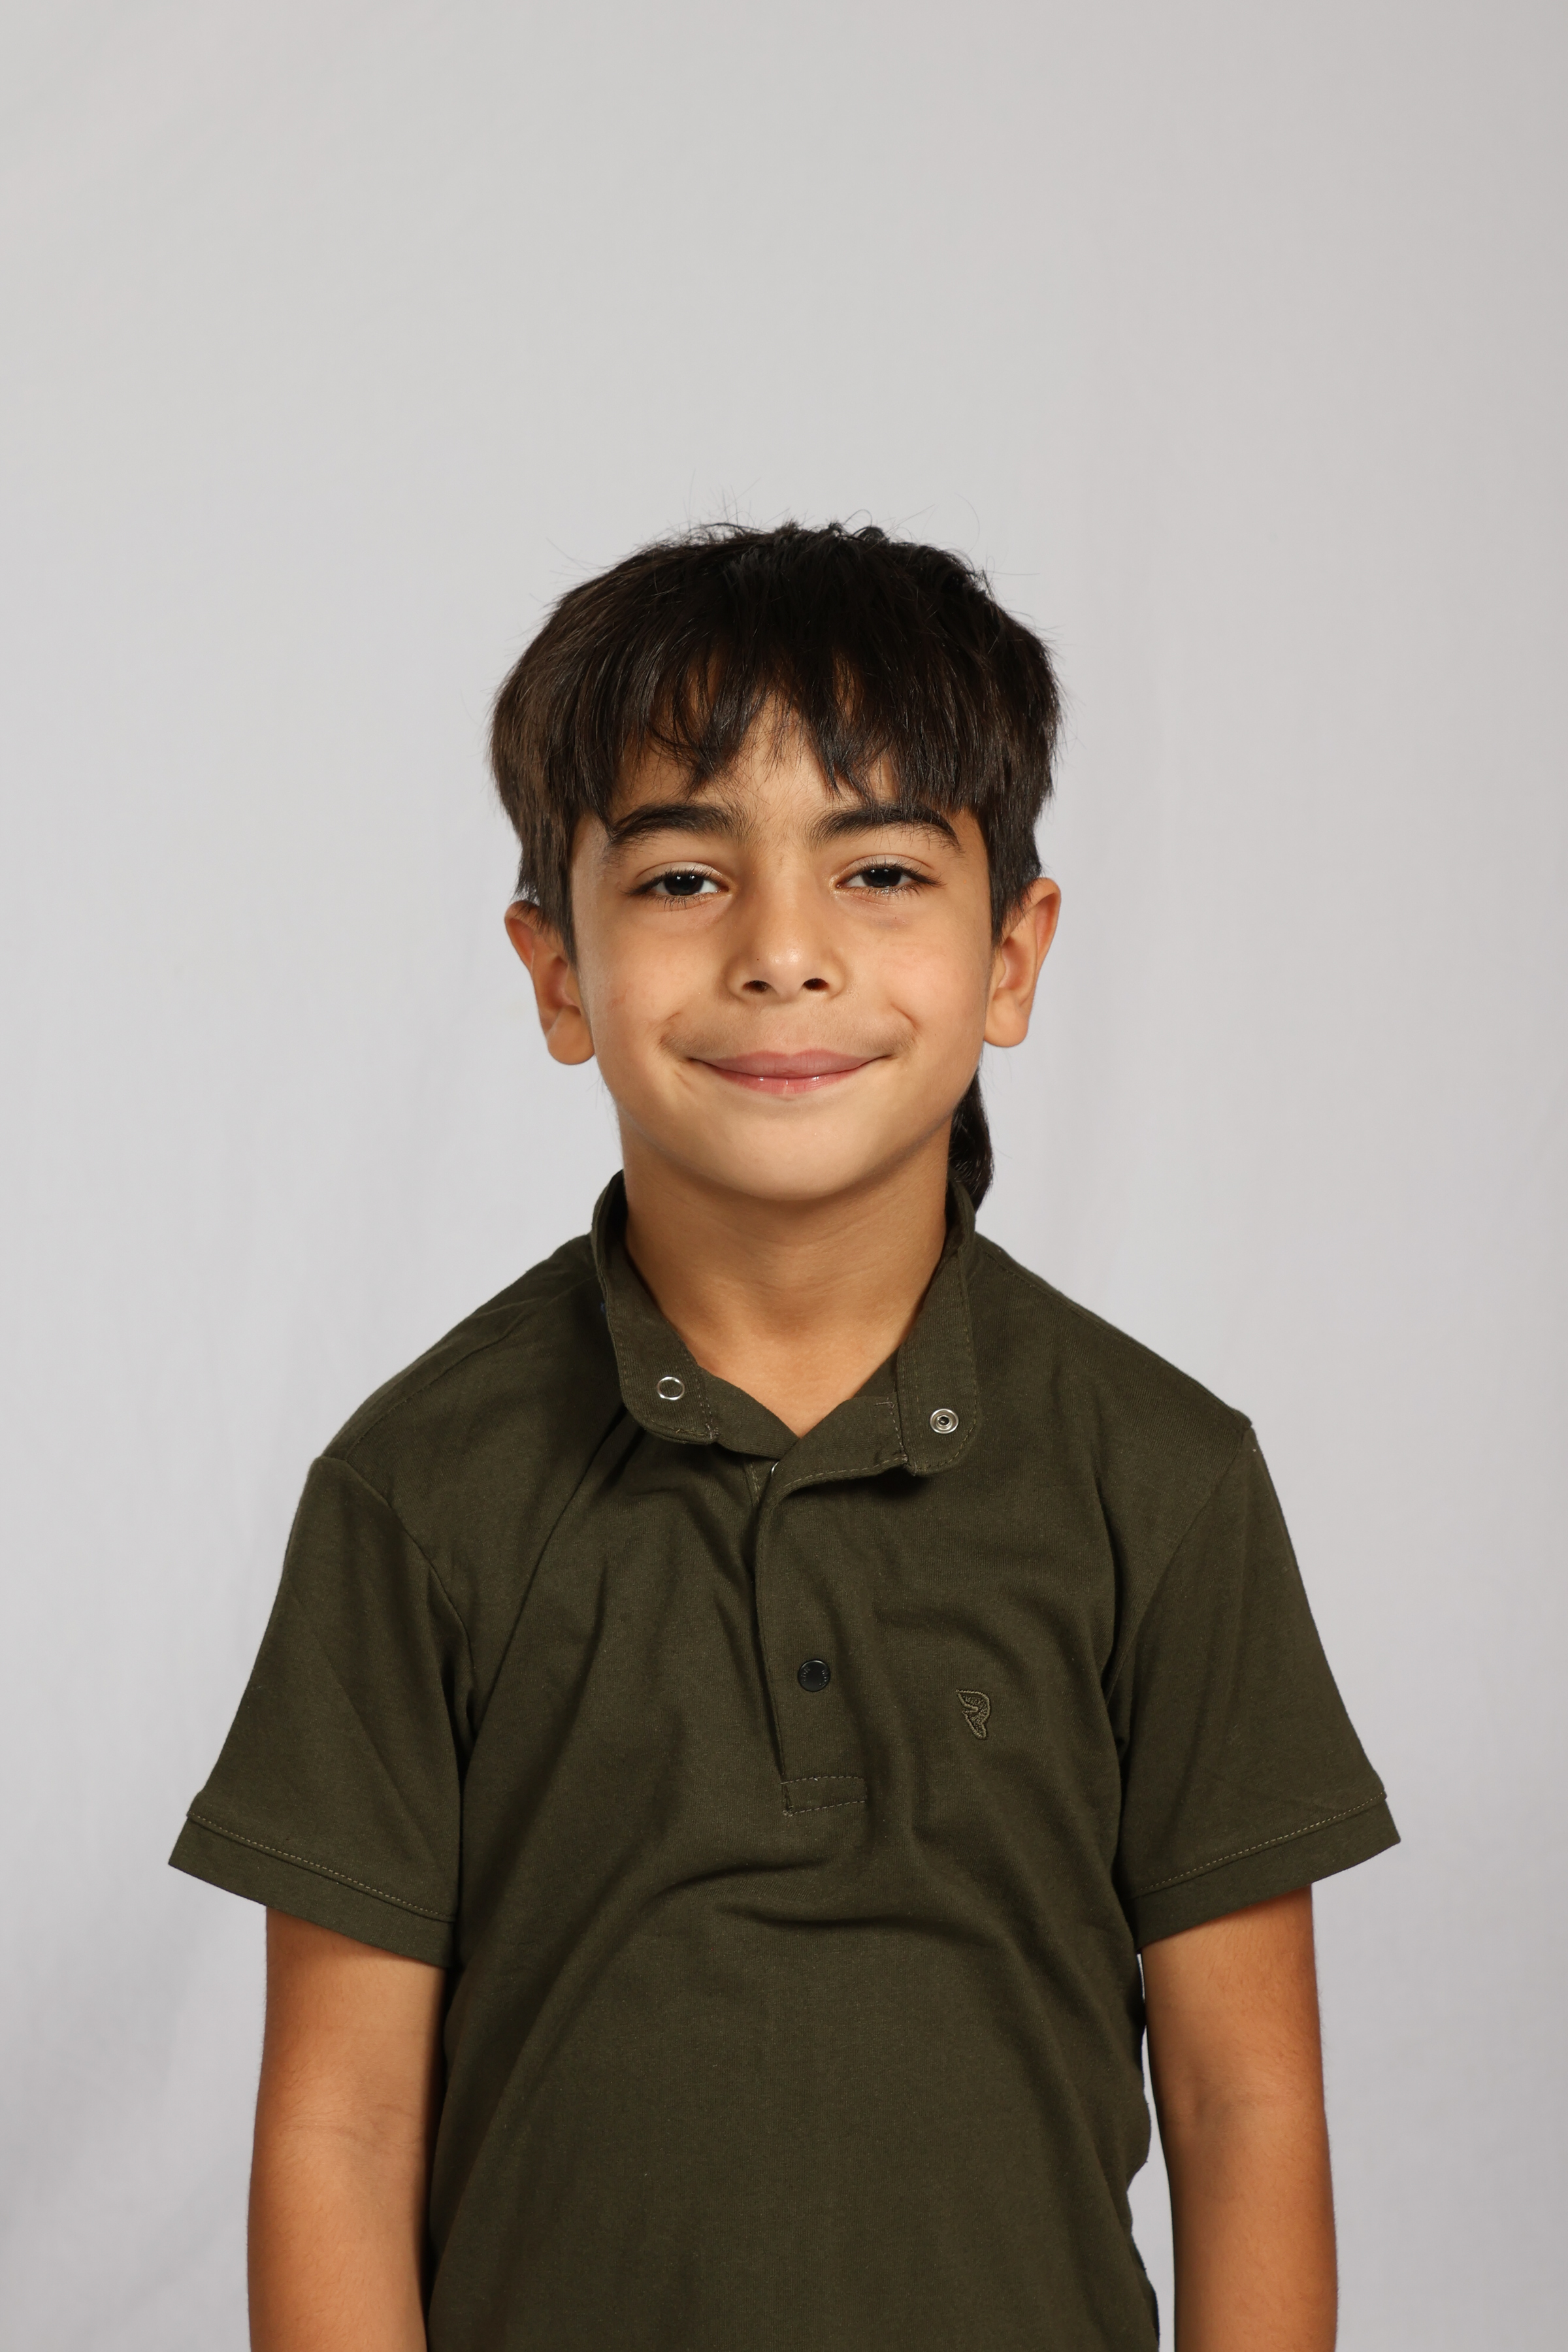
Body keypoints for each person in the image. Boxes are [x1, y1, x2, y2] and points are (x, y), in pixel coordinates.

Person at [171, 521, 1397, 2352]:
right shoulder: (416, 1491)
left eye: (881, 870)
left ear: (1013, 955)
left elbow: (1248, 2106)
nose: (784, 954)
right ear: (557, 971)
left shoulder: (1165, 1480)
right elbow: (338, 2131)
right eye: (683, 878)